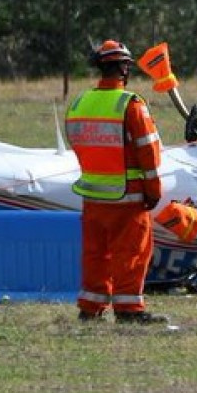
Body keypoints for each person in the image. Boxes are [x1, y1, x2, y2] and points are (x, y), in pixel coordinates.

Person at [65, 39, 168, 325]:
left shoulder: (79, 103)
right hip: (129, 196)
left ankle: (91, 307)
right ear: (124, 68)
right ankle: (128, 309)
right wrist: (153, 190)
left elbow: (77, 143)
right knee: (131, 252)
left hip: (93, 196)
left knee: (95, 253)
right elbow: (148, 152)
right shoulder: (131, 105)